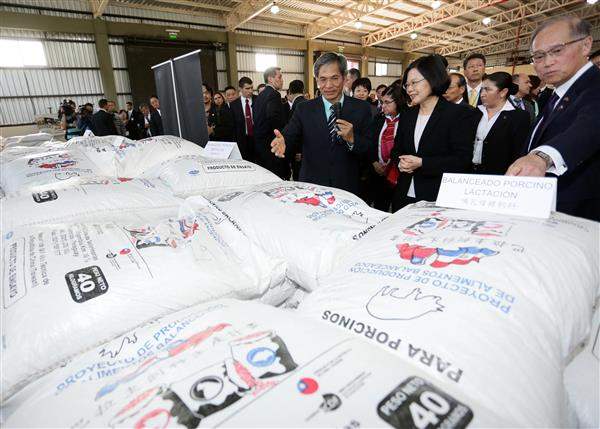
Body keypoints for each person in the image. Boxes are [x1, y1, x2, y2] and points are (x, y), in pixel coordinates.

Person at [507, 16, 600, 221]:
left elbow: (589, 127)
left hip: (581, 216)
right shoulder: (557, 93)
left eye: (557, 51)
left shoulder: (594, 86)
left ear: (586, 45)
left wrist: (542, 157)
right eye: (539, 56)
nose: (547, 63)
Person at [270, 52, 373, 195]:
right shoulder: (304, 109)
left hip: (347, 186)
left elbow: (370, 148)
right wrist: (283, 142)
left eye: (334, 78)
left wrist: (352, 139)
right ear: (317, 80)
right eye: (323, 79)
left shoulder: (362, 108)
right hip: (313, 187)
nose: (328, 85)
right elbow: (290, 135)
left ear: (344, 78)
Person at [390, 55, 479, 211]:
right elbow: (396, 150)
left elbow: (462, 160)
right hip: (404, 194)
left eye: (414, 83)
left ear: (433, 79)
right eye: (407, 85)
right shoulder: (407, 114)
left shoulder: (458, 114)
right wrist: (400, 162)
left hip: (438, 196)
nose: (409, 89)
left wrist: (422, 163)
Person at [472, 72, 530, 175]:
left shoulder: (518, 117)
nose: (482, 94)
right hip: (469, 173)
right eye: (482, 89)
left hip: (499, 175)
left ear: (503, 92)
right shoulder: (475, 112)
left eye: (488, 89)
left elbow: (518, 151)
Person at [367, 83, 407, 211]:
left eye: (387, 102)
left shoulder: (408, 121)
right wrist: (374, 162)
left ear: (399, 101)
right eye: (382, 102)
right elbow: (370, 143)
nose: (383, 106)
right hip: (378, 172)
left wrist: (391, 164)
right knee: (380, 207)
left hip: (399, 173)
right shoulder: (378, 119)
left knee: (398, 209)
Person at [253, 66, 289, 178]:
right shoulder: (274, 94)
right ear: (270, 79)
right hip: (271, 143)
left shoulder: (261, 95)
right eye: (279, 77)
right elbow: (274, 118)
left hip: (260, 144)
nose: (282, 80)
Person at [284, 79, 307, 180]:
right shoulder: (307, 103)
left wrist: (299, 151)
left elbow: (299, 131)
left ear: (290, 91)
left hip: (299, 153)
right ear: (303, 90)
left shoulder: (298, 105)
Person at [229, 77, 255, 161]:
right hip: (242, 141)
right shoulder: (234, 105)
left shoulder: (258, 100)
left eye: (251, 88)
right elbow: (233, 127)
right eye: (247, 88)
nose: (250, 91)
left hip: (257, 139)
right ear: (240, 89)